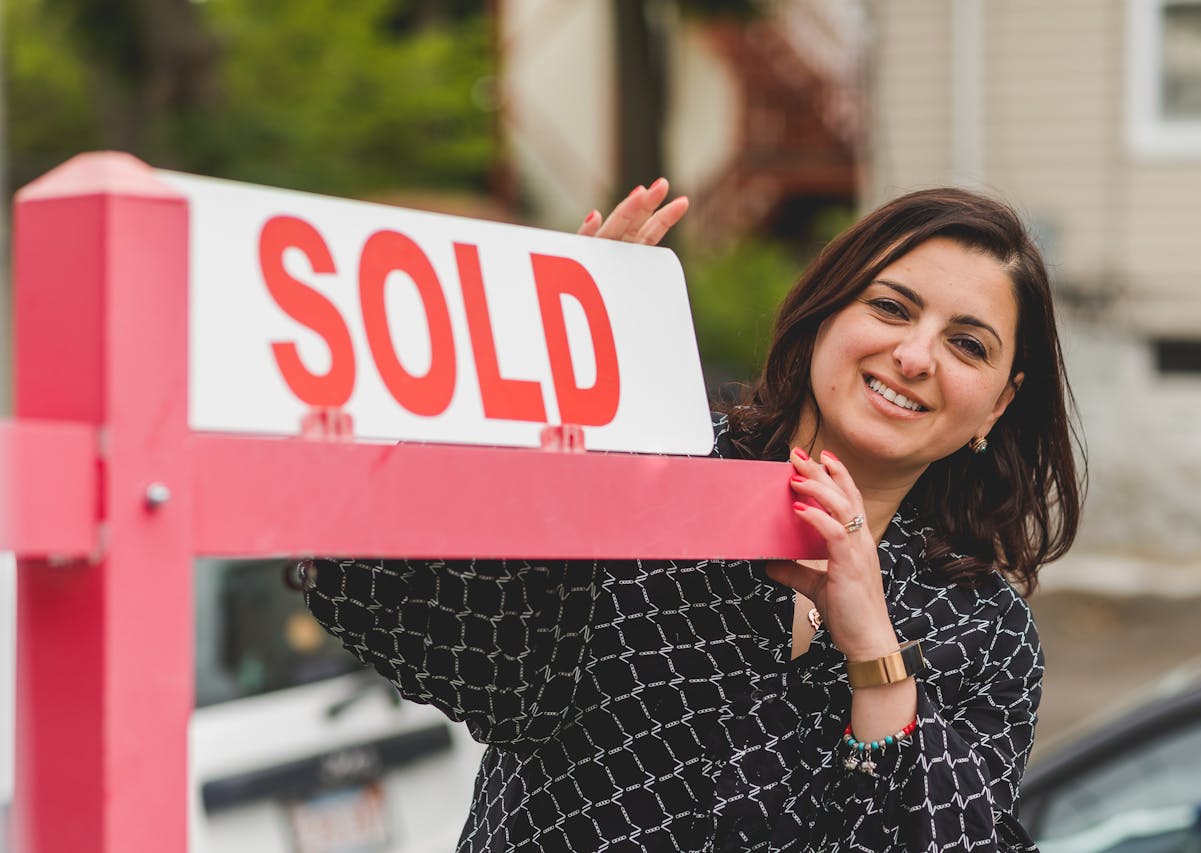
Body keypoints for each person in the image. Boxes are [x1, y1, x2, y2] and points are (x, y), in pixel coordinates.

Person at [302, 180, 1083, 852]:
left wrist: (874, 653)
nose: (915, 355)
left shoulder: (987, 634)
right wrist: (542, 385)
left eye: (968, 345)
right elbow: (379, 588)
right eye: (890, 306)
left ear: (999, 404)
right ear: (824, 313)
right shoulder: (653, 468)